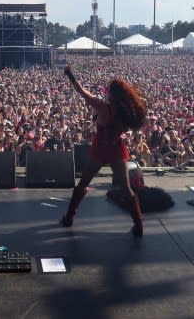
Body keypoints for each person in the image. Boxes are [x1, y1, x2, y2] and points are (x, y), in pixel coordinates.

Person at [60, 65, 147, 237]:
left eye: (108, 90)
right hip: (116, 150)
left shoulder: (101, 106)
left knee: (83, 183)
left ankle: (69, 218)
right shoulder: (125, 112)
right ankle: (138, 225)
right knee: (126, 188)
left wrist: (70, 75)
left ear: (112, 93)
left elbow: (80, 90)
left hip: (100, 149)